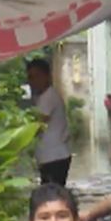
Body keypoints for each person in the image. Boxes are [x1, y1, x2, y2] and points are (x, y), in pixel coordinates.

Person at [27, 58, 72, 186]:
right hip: (51, 156)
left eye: (37, 76)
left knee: (52, 196)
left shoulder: (49, 97)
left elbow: (37, 125)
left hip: (54, 157)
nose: (33, 81)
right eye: (30, 77)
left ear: (47, 76)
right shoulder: (43, 97)